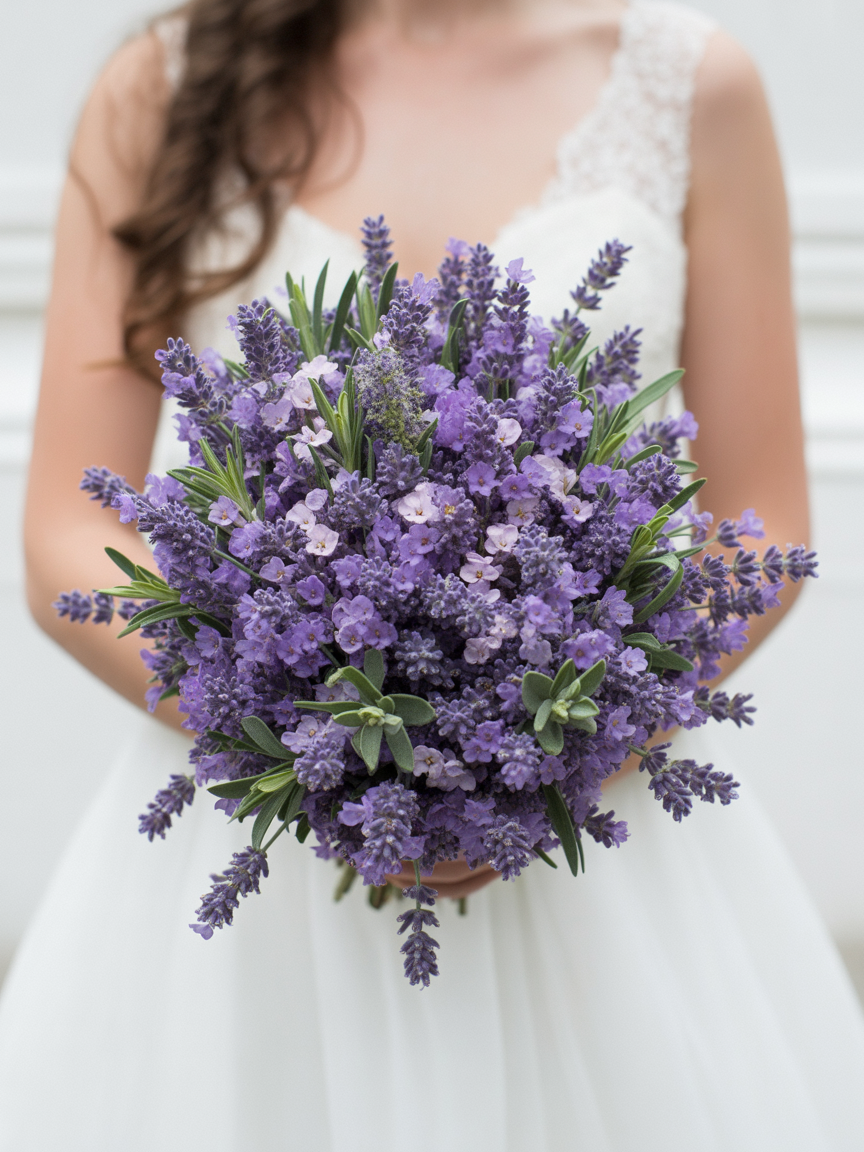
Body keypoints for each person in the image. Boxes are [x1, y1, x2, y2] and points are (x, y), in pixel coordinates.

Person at [2, 0, 863, 1147]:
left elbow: (760, 527)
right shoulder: (162, 88)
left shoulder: (690, 84)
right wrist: (302, 745)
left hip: (597, 833)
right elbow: (70, 525)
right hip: (259, 846)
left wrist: (547, 757)